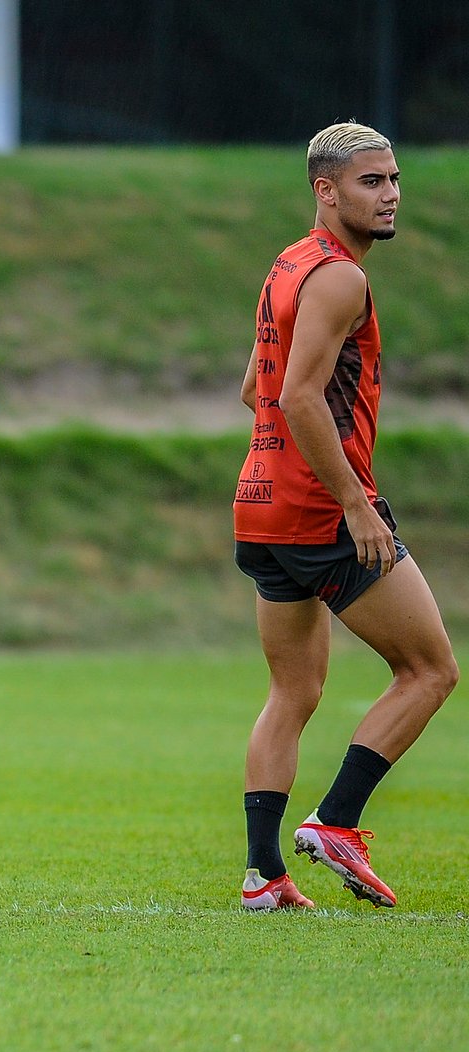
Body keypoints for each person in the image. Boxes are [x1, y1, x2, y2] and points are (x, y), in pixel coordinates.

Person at [233, 121, 457, 911]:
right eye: (371, 182)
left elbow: (253, 391)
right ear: (325, 191)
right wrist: (357, 505)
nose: (390, 194)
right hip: (320, 512)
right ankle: (338, 821)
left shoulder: (287, 266)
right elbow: (295, 396)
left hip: (260, 507)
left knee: (293, 690)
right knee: (431, 669)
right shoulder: (340, 280)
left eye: (394, 179)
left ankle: (263, 875)